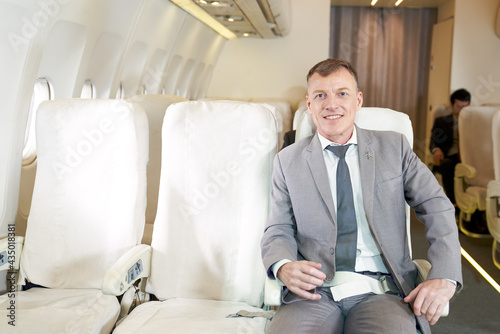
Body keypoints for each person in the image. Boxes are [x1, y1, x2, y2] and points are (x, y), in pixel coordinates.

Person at [261, 58, 462, 334]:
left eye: (342, 93)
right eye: (321, 95)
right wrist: (282, 266)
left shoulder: (394, 148)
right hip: (313, 292)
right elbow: (278, 228)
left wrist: (445, 276)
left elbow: (437, 207)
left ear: (358, 100)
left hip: (383, 291)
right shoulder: (287, 161)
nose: (331, 104)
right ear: (310, 105)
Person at [430, 89, 471, 205]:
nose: (462, 111)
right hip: (450, 156)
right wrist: (436, 150)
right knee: (447, 165)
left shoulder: (474, 122)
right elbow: (433, 142)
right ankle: (453, 204)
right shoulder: (441, 121)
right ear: (451, 105)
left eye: (465, 107)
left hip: (469, 158)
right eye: (459, 106)